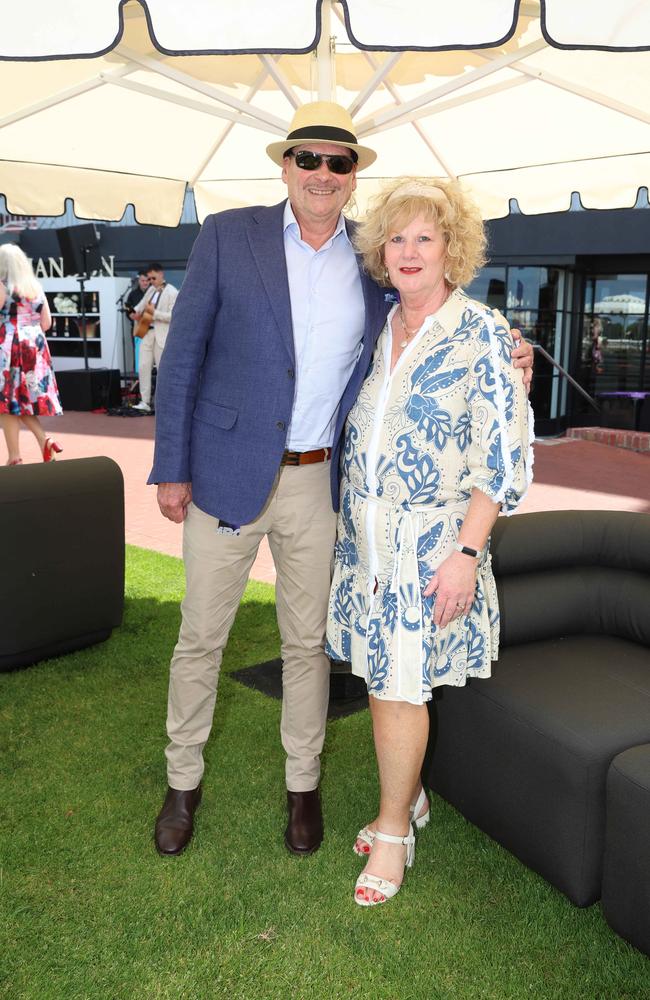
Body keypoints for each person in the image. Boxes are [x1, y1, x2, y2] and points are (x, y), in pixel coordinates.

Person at [148, 102, 534, 859]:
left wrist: (512, 350)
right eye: (308, 158)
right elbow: (183, 357)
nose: (323, 173)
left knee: (306, 645)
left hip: (318, 486)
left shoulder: (371, 266)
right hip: (224, 477)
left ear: (354, 175)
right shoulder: (229, 235)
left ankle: (304, 787)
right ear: (285, 164)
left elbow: (438, 319)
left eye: (339, 162)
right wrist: (173, 467)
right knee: (200, 640)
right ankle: (182, 783)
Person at [325, 178, 533, 906]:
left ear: (452, 249)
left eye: (426, 237)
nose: (409, 251)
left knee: (399, 688)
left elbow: (502, 459)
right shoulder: (376, 324)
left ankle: (392, 830)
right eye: (397, 237)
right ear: (381, 251)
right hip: (368, 545)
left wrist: (467, 556)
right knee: (383, 680)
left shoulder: (482, 333)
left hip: (432, 548)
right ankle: (409, 798)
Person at [0, 243, 63, 465]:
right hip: (35, 348)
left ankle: (14, 456)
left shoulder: (2, 286)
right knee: (21, 400)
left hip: (8, 347)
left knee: (6, 400)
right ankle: (44, 441)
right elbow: (46, 323)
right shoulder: (35, 287)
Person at [133, 263, 178, 413]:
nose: (151, 281)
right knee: (143, 366)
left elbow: (174, 316)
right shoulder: (151, 290)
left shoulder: (172, 291)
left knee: (162, 369)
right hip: (146, 331)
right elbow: (140, 306)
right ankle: (145, 401)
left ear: (161, 274)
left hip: (161, 335)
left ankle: (165, 402)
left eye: (153, 277)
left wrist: (155, 313)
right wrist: (134, 312)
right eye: (149, 278)